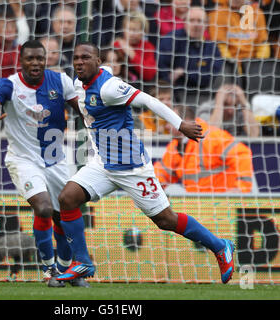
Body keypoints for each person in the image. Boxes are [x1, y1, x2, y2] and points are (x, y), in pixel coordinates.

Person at [55, 42, 235, 285]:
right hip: (103, 163)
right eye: (76, 58)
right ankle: (82, 262)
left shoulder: (109, 88)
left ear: (96, 61)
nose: (79, 62)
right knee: (67, 198)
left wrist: (180, 124)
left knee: (165, 220)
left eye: (85, 57)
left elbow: (150, 101)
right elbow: (100, 74)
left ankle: (219, 245)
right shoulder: (79, 82)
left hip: (132, 167)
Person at [0, 40, 89, 288]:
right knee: (44, 208)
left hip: (57, 160)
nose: (35, 63)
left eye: (39, 58)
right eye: (30, 59)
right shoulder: (9, 85)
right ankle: (49, 271)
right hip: (23, 159)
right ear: (21, 61)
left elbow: (82, 109)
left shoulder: (61, 81)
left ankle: (65, 271)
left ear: (46, 60)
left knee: (64, 217)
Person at [154, 105, 254, 193]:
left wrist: (240, 190)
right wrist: (150, 188)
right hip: (200, 206)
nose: (167, 127)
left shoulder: (212, 137)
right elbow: (162, 172)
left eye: (170, 122)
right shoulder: (175, 146)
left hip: (223, 204)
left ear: (186, 122)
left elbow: (242, 154)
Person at [158, 6, 223, 104]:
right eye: (192, 20)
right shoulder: (171, 40)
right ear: (185, 22)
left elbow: (207, 79)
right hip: (172, 96)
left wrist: (184, 72)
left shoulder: (212, 48)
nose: (196, 24)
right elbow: (163, 73)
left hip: (201, 97)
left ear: (206, 24)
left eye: (199, 21)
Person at [114, 12, 157, 84]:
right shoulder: (116, 45)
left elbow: (149, 74)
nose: (132, 34)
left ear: (144, 32)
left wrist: (133, 54)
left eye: (136, 30)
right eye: (129, 29)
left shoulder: (147, 47)